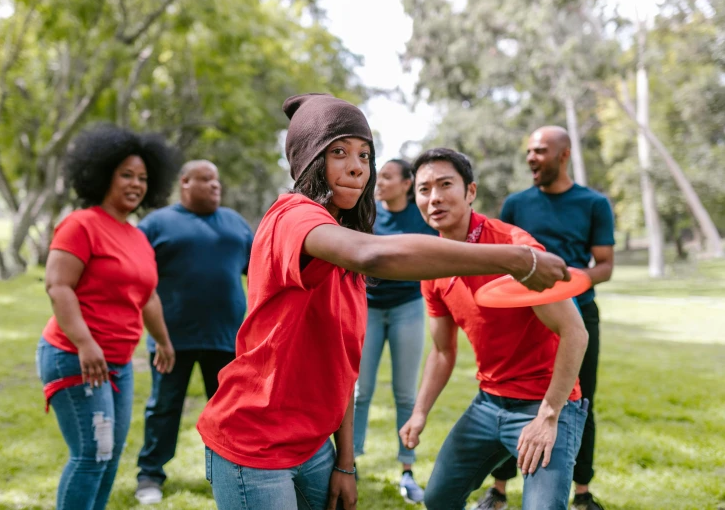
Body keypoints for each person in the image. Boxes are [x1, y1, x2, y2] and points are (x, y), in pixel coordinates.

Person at [195, 93, 571, 510]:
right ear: (308, 160)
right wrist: (514, 259)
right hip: (255, 442)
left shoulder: (342, 251)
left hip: (314, 446)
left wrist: (345, 462)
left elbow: (341, 366)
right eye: (338, 152)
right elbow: (374, 254)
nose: (357, 166)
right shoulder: (292, 217)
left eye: (365, 154)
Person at [399, 148, 590, 510]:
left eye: (445, 184)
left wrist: (547, 416)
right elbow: (442, 350)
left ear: (471, 192)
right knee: (438, 500)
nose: (434, 197)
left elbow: (575, 332)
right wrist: (420, 412)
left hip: (546, 404)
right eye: (424, 189)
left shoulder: (516, 250)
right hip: (489, 402)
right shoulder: (432, 265)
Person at [37, 124, 180, 510]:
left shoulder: (136, 236)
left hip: (116, 362)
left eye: (143, 178)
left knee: (110, 454)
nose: (136, 184)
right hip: (75, 354)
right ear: (103, 175)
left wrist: (163, 341)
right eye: (126, 175)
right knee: (91, 453)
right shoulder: (81, 224)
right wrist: (85, 343)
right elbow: (58, 286)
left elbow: (147, 295)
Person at [483, 126, 614, 510]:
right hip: (523, 319)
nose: (531, 158)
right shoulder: (516, 204)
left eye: (540, 151)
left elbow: (604, 264)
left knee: (580, 400)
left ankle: (583, 492)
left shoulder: (594, 203)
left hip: (578, 315)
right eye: (529, 151)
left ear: (564, 154)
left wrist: (567, 284)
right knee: (513, 398)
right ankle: (500, 489)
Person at [134, 160, 254, 504]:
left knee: (229, 412)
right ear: (184, 182)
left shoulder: (235, 223)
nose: (215, 186)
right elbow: (139, 280)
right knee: (164, 408)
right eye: (206, 180)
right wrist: (158, 338)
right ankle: (150, 475)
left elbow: (259, 273)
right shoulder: (156, 224)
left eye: (217, 180)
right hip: (171, 340)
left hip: (227, 339)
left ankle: (234, 474)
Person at [353, 158, 437, 504]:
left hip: (407, 308)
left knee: (405, 394)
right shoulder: (365, 212)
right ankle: (349, 464)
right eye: (379, 177)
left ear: (406, 183)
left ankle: (407, 471)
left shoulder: (421, 217)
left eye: (387, 177)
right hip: (368, 308)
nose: (379, 182)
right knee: (360, 391)